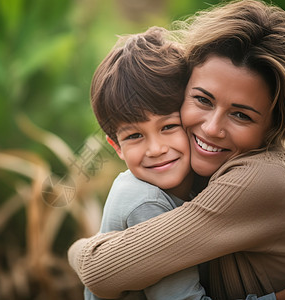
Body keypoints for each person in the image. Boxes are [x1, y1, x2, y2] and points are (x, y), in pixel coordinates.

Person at [68, 0, 285, 299]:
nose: (212, 128)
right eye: (203, 100)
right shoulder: (195, 173)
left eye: (241, 115)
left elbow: (99, 270)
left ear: (274, 124)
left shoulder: (264, 178)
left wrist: (80, 249)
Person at [85, 26, 209, 299]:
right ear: (116, 146)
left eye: (168, 126)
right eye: (135, 136)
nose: (155, 149)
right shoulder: (146, 204)